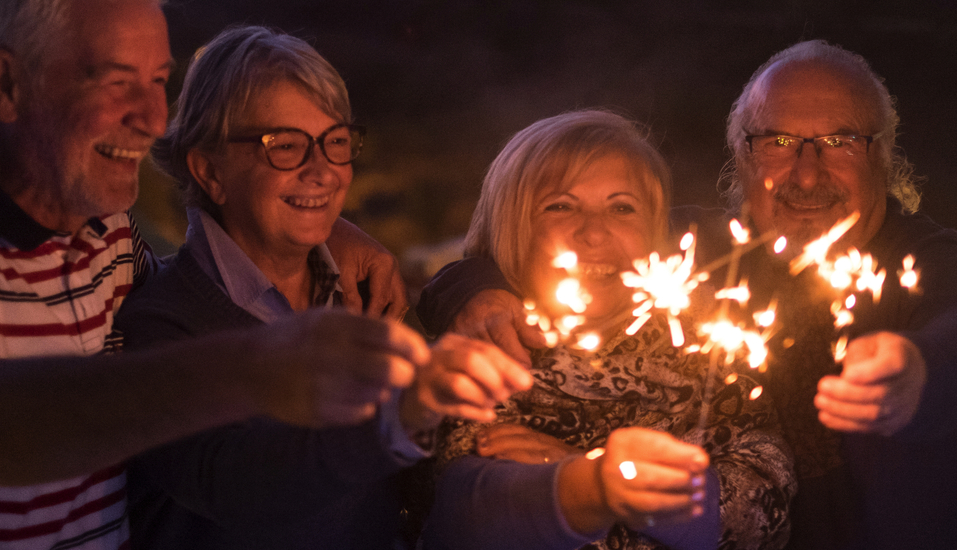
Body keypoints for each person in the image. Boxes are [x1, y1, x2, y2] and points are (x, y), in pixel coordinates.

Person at [0, 1, 524, 549]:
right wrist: (383, 411)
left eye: (335, 142)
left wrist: (469, 287)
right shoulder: (162, 317)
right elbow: (232, 479)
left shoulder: (107, 236)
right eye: (285, 145)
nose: (155, 119)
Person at [417, 41, 957, 549]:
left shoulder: (930, 263)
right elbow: (533, 247)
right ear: (741, 157)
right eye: (778, 142)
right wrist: (473, 289)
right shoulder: (697, 253)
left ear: (882, 155)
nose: (807, 175)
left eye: (839, 142)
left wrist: (917, 372)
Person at [419, 110, 795, 550]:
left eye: (622, 207)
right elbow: (461, 512)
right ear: (512, 228)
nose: (594, 233)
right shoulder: (483, 357)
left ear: (657, 231)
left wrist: (595, 475)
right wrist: (582, 491)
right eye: (560, 205)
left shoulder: (711, 346)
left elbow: (762, 504)